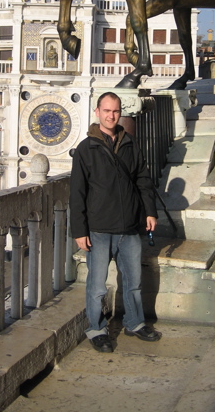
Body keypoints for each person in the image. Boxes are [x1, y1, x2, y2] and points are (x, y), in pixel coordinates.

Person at [69, 92, 161, 353]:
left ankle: (135, 323)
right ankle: (97, 329)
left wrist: (150, 213)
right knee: (97, 286)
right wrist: (79, 230)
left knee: (133, 281)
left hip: (129, 227)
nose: (111, 115)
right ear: (97, 112)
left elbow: (143, 180)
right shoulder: (86, 149)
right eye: (107, 111)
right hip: (98, 229)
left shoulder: (129, 143)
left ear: (120, 113)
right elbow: (77, 193)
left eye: (116, 111)